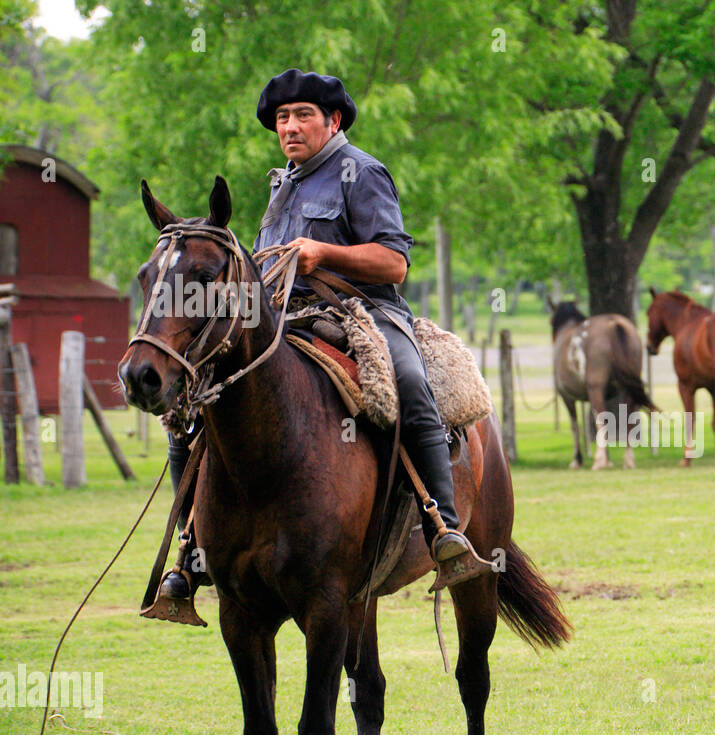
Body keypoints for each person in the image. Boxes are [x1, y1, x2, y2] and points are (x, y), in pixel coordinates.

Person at [156, 69, 489, 604]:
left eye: (303, 115)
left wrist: (323, 252)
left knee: (407, 382)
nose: (290, 126)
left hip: (364, 313)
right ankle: (194, 547)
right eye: (283, 118)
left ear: (333, 121)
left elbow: (395, 262)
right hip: (284, 319)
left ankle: (442, 527)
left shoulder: (362, 172)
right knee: (192, 404)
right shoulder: (279, 184)